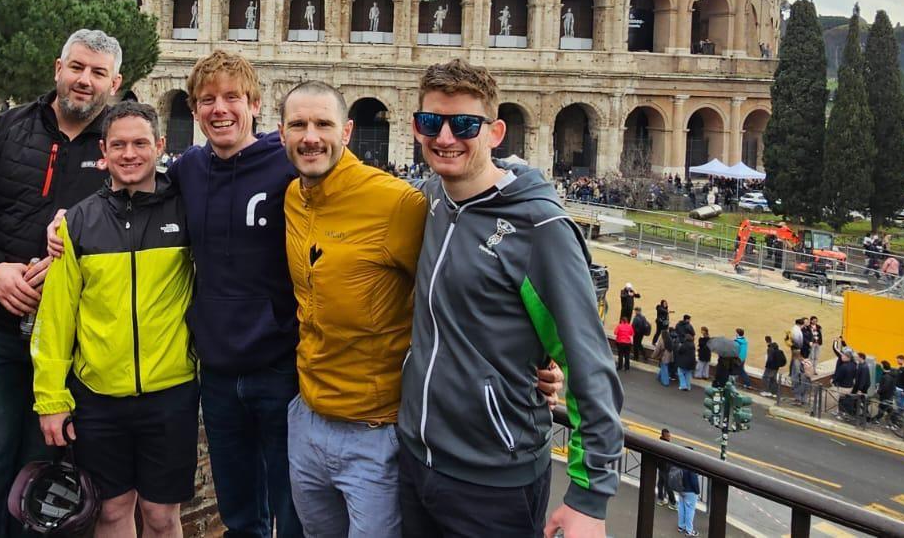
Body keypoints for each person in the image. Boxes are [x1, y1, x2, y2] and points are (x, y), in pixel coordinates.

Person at [399, 60, 622, 538]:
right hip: (417, 461)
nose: (444, 137)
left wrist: (589, 498)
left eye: (463, 124)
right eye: (430, 122)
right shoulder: (433, 198)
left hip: (494, 482)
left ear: (495, 131)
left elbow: (588, 363)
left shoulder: (538, 228)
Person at [0, 29, 122, 538]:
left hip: (73, 343)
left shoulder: (120, 145)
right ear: (57, 68)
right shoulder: (6, 130)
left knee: (47, 462)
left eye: (97, 72)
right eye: (77, 67)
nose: (84, 80)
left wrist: (77, 260)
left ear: (116, 81)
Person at [32, 102, 196, 538]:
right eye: (118, 145)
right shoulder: (79, 221)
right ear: (103, 151)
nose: (130, 154)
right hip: (99, 398)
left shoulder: (185, 211)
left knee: (162, 518)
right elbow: (57, 316)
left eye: (141, 143)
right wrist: (51, 397)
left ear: (160, 146)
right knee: (111, 512)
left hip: (171, 393)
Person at [279, 80, 428, 536]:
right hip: (307, 418)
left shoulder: (396, 203)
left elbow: (458, 285)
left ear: (346, 132)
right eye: (298, 124)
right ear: (281, 133)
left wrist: (535, 359)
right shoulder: (293, 196)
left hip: (373, 431)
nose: (310, 136)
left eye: (322, 124)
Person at [164, 51, 302, 538]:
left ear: (255, 105)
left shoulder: (288, 168)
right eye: (207, 100)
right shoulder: (187, 170)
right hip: (218, 369)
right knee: (238, 509)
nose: (219, 109)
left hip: (279, 366)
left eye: (231, 98)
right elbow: (127, 193)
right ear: (195, 109)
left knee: (293, 506)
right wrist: (63, 222)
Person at [674, 462, 701, 537]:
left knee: (681, 507)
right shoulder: (690, 464)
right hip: (690, 491)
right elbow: (694, 481)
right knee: (690, 510)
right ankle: (689, 530)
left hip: (680, 488)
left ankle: (681, 526)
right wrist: (697, 492)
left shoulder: (680, 462)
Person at [654, 429, 676, 510]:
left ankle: (661, 499)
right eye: (668, 436)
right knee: (668, 486)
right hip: (665, 468)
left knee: (660, 483)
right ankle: (673, 502)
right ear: (663, 436)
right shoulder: (666, 445)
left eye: (669, 436)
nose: (669, 437)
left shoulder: (660, 443)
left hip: (661, 467)